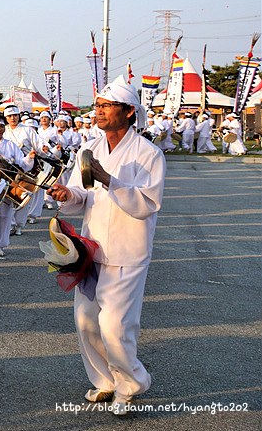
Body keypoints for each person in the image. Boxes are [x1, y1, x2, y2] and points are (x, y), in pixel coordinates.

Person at [49, 75, 165, 416]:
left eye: (106, 105)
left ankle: (131, 383)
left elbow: (146, 204)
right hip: (91, 248)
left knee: (114, 326)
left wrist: (108, 179)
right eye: (97, 105)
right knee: (86, 321)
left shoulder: (149, 154)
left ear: (129, 111)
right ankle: (105, 381)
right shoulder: (91, 147)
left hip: (127, 253)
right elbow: (79, 195)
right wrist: (65, 194)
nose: (98, 111)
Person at [0, 113, 34, 254]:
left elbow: (21, 162)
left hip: (8, 184)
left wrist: (29, 157)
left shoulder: (10, 145)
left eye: (1, 126)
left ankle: (0, 244)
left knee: (6, 215)